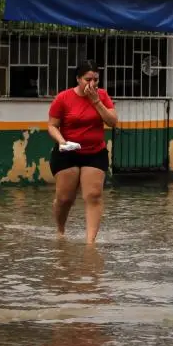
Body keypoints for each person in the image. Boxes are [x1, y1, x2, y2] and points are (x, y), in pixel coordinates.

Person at [47, 60, 118, 244]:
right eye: (88, 79)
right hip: (67, 152)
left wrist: (97, 102)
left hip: (95, 152)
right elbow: (52, 126)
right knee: (65, 198)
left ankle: (90, 242)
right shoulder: (63, 98)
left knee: (93, 195)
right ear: (78, 79)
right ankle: (60, 231)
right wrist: (62, 141)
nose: (92, 84)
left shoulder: (102, 96)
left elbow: (112, 121)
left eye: (96, 79)